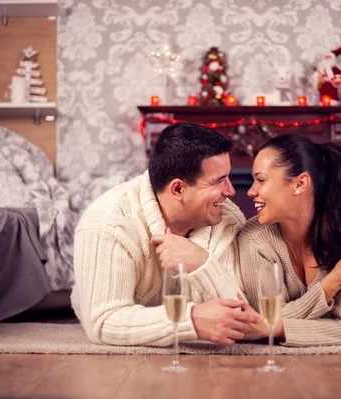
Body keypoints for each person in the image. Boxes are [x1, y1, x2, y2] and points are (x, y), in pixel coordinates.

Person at [71, 122, 258, 347]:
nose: (230, 191)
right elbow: (104, 322)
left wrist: (201, 262)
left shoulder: (226, 218)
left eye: (228, 177)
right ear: (178, 189)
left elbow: (245, 318)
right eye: (219, 181)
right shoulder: (107, 223)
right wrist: (192, 320)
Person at [237, 134, 341, 347]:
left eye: (261, 180)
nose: (251, 191)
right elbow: (269, 319)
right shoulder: (254, 238)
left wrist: (279, 328)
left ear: (300, 183)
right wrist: (332, 283)